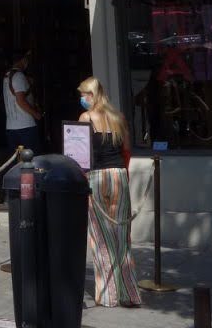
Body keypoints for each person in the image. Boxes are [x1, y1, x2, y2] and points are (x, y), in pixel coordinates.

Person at [77, 76, 141, 308]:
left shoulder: (86, 118)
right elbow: (127, 150)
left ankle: (108, 294)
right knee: (122, 234)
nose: (82, 99)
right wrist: (122, 170)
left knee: (100, 236)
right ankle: (129, 292)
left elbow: (80, 154)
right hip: (118, 174)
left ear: (92, 95)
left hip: (96, 176)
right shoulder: (118, 117)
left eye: (84, 94)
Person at [3, 48, 42, 156]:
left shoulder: (7, 76)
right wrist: (36, 114)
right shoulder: (19, 76)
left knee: (17, 161)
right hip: (25, 126)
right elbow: (21, 101)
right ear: (23, 60)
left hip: (11, 127)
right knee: (33, 160)